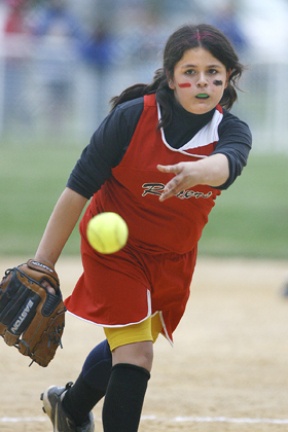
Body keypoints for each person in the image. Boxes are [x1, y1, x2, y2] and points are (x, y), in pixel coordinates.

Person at [36, 23, 252, 432]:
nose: (201, 82)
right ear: (170, 77)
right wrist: (42, 263)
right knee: (137, 354)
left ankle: (69, 405)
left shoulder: (232, 131)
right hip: (115, 249)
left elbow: (226, 166)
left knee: (130, 344)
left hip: (172, 255)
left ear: (228, 79)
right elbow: (78, 189)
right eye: (190, 72)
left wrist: (199, 169)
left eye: (214, 73)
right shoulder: (132, 119)